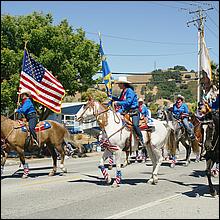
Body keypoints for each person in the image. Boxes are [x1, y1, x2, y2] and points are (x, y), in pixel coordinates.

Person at [112, 76, 144, 147]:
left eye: (119, 84)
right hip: (126, 111)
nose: (118, 85)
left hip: (134, 111)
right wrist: (112, 97)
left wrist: (118, 103)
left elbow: (128, 102)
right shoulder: (123, 92)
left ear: (123, 84)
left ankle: (141, 140)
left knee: (135, 125)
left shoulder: (130, 91)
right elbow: (121, 100)